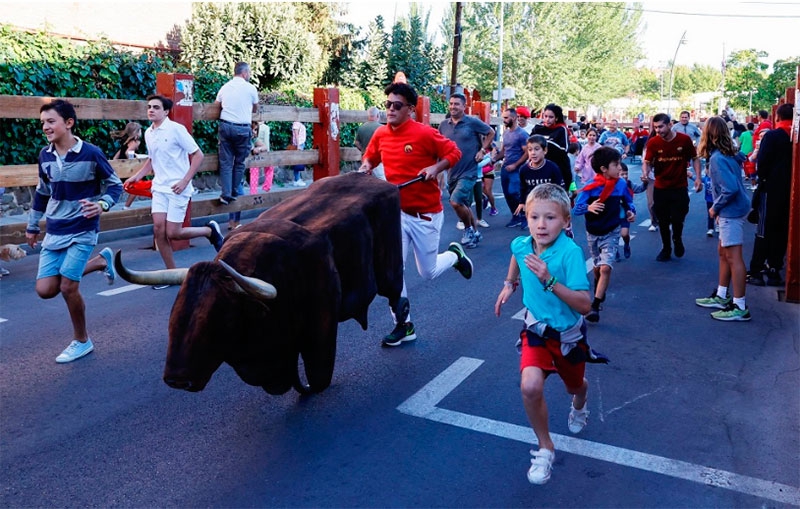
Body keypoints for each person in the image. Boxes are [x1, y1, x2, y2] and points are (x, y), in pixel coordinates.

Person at [494, 183, 604, 485]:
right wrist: (509, 284)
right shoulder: (522, 243)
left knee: (574, 387)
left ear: (567, 221)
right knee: (529, 386)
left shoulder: (569, 252)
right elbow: (517, 254)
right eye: (534, 217)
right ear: (526, 217)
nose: (541, 225)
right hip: (535, 331)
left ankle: (581, 401)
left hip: (567, 337)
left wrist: (548, 279)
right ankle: (545, 446)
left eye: (550, 218)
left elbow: (584, 305)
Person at [359, 82, 472, 347]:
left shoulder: (424, 133)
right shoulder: (381, 134)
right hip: (396, 214)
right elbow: (370, 158)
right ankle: (404, 325)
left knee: (428, 272)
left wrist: (435, 168)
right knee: (392, 270)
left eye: (396, 105)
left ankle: (455, 255)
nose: (390, 110)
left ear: (410, 109)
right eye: (387, 104)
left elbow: (454, 152)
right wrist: (365, 167)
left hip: (426, 215)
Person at [25, 99, 122, 363]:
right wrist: (33, 226)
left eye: (51, 121)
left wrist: (101, 204)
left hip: (83, 228)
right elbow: (43, 193)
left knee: (68, 286)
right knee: (45, 289)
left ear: (69, 123)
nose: (45, 127)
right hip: (55, 229)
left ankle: (82, 340)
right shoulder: (45, 156)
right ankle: (102, 261)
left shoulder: (91, 153)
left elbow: (115, 186)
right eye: (43, 122)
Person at [126, 95, 224, 277]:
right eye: (149, 107)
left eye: (156, 107)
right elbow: (151, 160)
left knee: (174, 232)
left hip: (178, 187)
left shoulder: (176, 130)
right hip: (159, 188)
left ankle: (209, 231)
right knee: (158, 229)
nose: (151, 110)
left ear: (165, 111)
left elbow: (198, 155)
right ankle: (171, 273)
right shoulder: (148, 133)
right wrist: (136, 177)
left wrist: (185, 180)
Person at [694, 116, 751, 321]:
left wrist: (715, 209)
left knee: (733, 256)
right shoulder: (729, 154)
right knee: (724, 252)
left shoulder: (717, 159)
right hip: (734, 209)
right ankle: (722, 294)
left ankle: (739, 305)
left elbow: (730, 189)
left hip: (730, 211)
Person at [573, 147, 635, 322]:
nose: (620, 168)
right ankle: (598, 285)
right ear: (603, 169)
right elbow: (577, 209)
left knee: (606, 267)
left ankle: (595, 305)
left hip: (612, 230)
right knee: (598, 267)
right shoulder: (590, 187)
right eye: (616, 165)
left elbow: (629, 202)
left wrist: (631, 212)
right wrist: (589, 207)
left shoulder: (621, 184)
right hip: (593, 231)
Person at [746, 103, 794, 287]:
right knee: (782, 231)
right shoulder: (794, 136)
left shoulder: (773, 136)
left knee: (764, 231)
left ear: (778, 117)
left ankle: (756, 270)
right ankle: (774, 268)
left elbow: (762, 165)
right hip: (790, 192)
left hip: (771, 190)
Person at [643, 113, 702, 261]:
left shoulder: (684, 140)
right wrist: (645, 172)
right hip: (661, 187)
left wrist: (698, 178)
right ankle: (666, 248)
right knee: (662, 220)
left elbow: (695, 158)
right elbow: (647, 161)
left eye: (661, 126)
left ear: (670, 125)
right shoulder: (653, 142)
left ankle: (677, 238)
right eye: (655, 127)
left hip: (679, 186)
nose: (658, 130)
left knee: (677, 218)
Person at [439, 93, 495, 248]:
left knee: (455, 201)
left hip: (469, 171)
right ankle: (475, 233)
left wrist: (483, 151)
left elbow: (491, 132)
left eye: (457, 104)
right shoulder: (444, 125)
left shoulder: (472, 122)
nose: (453, 106)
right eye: (451, 103)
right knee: (464, 204)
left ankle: (468, 229)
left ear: (464, 106)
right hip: (452, 172)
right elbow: (439, 145)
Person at [215, 61, 259, 205]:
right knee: (239, 162)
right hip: (242, 128)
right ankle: (234, 191)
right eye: (250, 72)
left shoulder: (225, 87)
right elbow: (255, 109)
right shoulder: (251, 88)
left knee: (226, 162)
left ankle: (226, 194)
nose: (250, 75)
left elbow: (216, 105)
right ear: (244, 73)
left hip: (226, 125)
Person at [491, 108, 529, 228]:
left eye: (506, 118)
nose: (504, 120)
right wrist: (494, 160)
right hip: (505, 168)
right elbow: (504, 151)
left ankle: (525, 216)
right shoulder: (506, 133)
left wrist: (515, 165)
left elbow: (527, 153)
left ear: (513, 118)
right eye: (503, 118)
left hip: (517, 169)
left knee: (515, 192)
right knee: (507, 193)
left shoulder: (522, 134)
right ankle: (515, 216)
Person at [514, 134, 564, 222]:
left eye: (537, 149)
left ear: (545, 150)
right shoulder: (524, 170)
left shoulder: (553, 168)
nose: (533, 153)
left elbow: (559, 188)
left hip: (550, 205)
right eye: (530, 150)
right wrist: (522, 202)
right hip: (533, 205)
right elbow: (523, 187)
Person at [531, 103, 573, 191]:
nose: (547, 119)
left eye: (551, 117)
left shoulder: (561, 129)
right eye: (545, 116)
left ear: (556, 118)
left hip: (559, 168)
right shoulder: (537, 128)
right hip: (539, 167)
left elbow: (564, 149)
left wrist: (545, 143)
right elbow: (530, 144)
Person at [110, 122, 143, 209]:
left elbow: (117, 155)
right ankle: (126, 207)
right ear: (136, 132)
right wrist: (134, 160)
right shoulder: (136, 142)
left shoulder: (125, 142)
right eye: (140, 130)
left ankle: (121, 205)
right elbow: (128, 152)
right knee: (136, 189)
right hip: (129, 169)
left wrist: (115, 163)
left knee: (130, 188)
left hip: (122, 167)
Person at [619, 162, 647, 258]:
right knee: (612, 236)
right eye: (622, 174)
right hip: (614, 213)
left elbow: (640, 189)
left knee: (624, 233)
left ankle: (626, 244)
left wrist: (645, 182)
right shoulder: (611, 186)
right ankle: (613, 251)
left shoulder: (629, 184)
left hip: (627, 212)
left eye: (626, 173)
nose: (625, 176)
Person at [355, 106, 384, 180]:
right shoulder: (382, 128)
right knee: (382, 180)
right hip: (378, 160)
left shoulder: (362, 127)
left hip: (365, 159)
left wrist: (364, 150)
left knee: (366, 180)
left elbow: (357, 142)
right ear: (378, 115)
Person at [290, 120, 308, 187]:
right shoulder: (296, 123)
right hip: (299, 144)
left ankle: (297, 179)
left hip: (301, 144)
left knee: (298, 163)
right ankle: (297, 180)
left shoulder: (298, 123)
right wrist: (298, 146)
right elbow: (296, 135)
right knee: (298, 163)